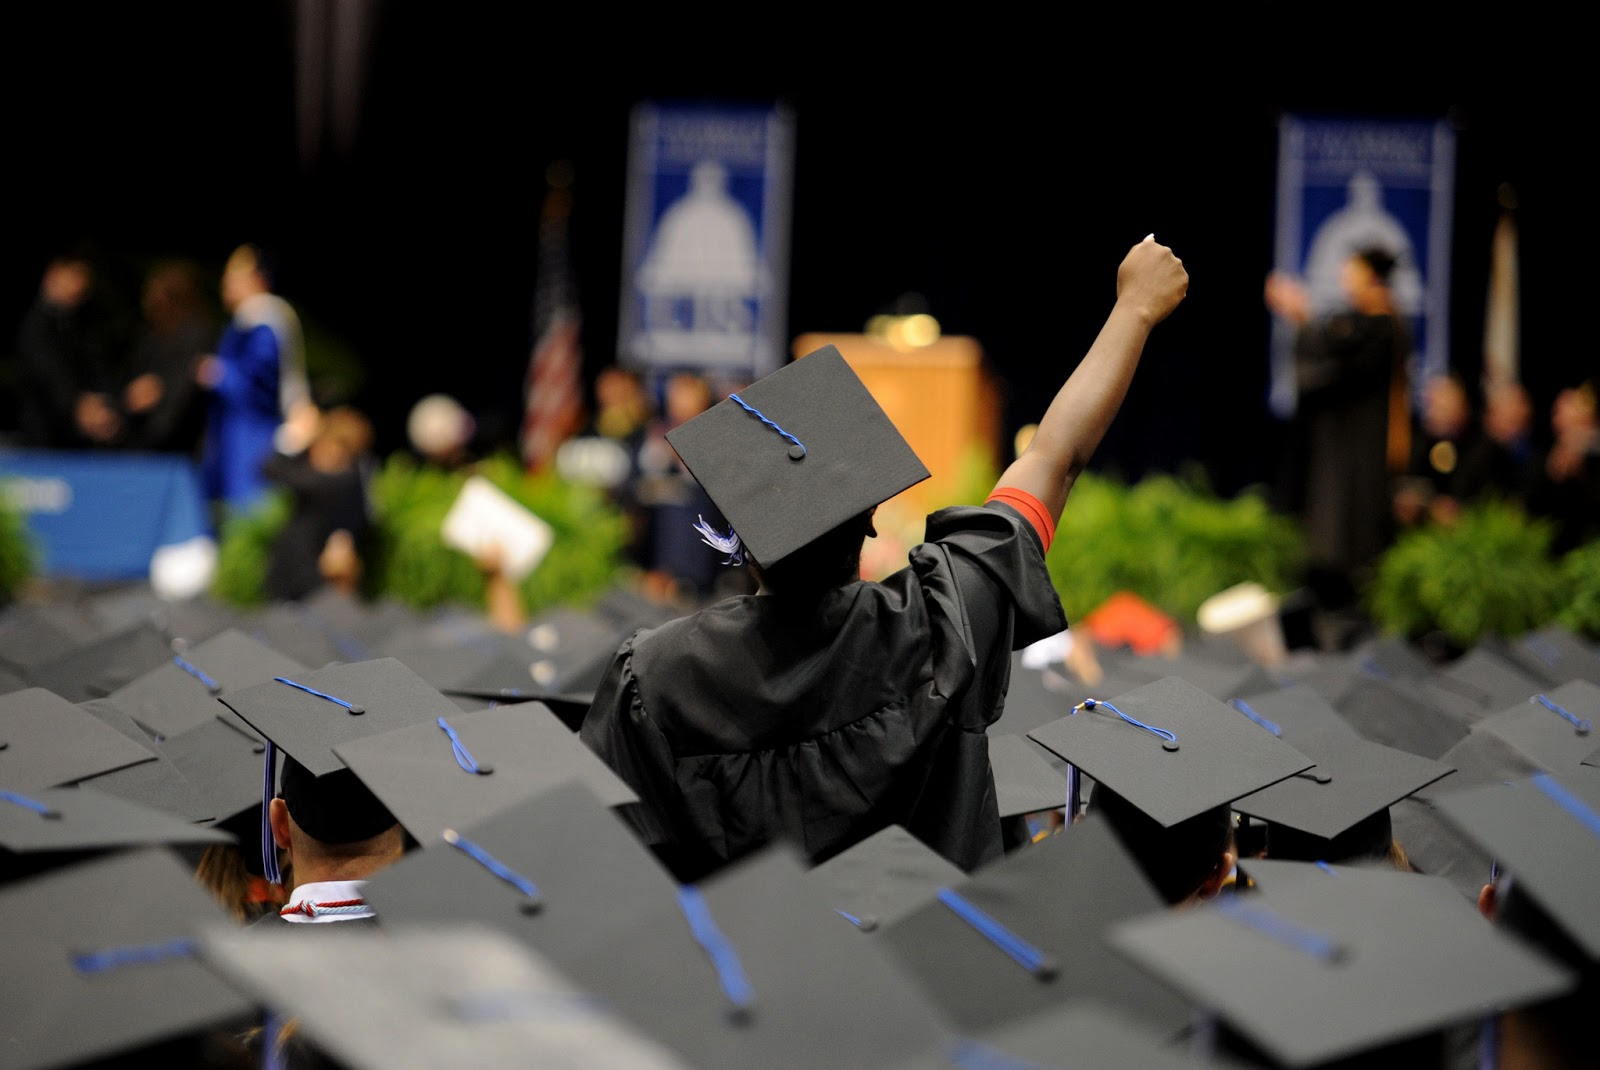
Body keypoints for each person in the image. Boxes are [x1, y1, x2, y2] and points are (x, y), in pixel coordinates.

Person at [581, 236, 1188, 880]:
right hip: (929, 960)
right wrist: (1133, 311)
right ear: (872, 522)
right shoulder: (941, 621)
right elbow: (1054, 459)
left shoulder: (653, 675)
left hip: (740, 969)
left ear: (743, 538)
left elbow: (615, 857)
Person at [1266, 247, 1409, 612]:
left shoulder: (1381, 322)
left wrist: (1303, 317)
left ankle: (1350, 615)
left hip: (1360, 450)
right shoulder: (1361, 321)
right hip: (1340, 444)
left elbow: (1338, 360)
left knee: (1350, 532)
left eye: (1352, 272)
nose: (1346, 280)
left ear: (1372, 277)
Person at [197, 244, 311, 510]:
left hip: (256, 434)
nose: (225, 285)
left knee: (250, 508)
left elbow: (262, 384)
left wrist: (220, 374)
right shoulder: (245, 320)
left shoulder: (265, 318)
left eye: (234, 278)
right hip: (235, 433)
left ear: (257, 279)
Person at [261, 405, 373, 603]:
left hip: (315, 584)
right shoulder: (352, 478)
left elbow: (275, 469)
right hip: (292, 576)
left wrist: (293, 435)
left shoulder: (341, 480)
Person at [14, 251, 123, 448]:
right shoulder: (35, 325)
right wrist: (77, 407)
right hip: (43, 438)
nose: (81, 286)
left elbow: (97, 370)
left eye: (85, 278)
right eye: (75, 275)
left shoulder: (81, 324)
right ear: (54, 273)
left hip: (77, 440)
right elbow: (48, 375)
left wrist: (107, 405)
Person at [121, 260, 213, 454]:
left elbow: (183, 392)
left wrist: (160, 394)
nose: (147, 300)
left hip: (179, 444)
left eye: (155, 293)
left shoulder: (195, 334)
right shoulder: (152, 336)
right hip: (146, 437)